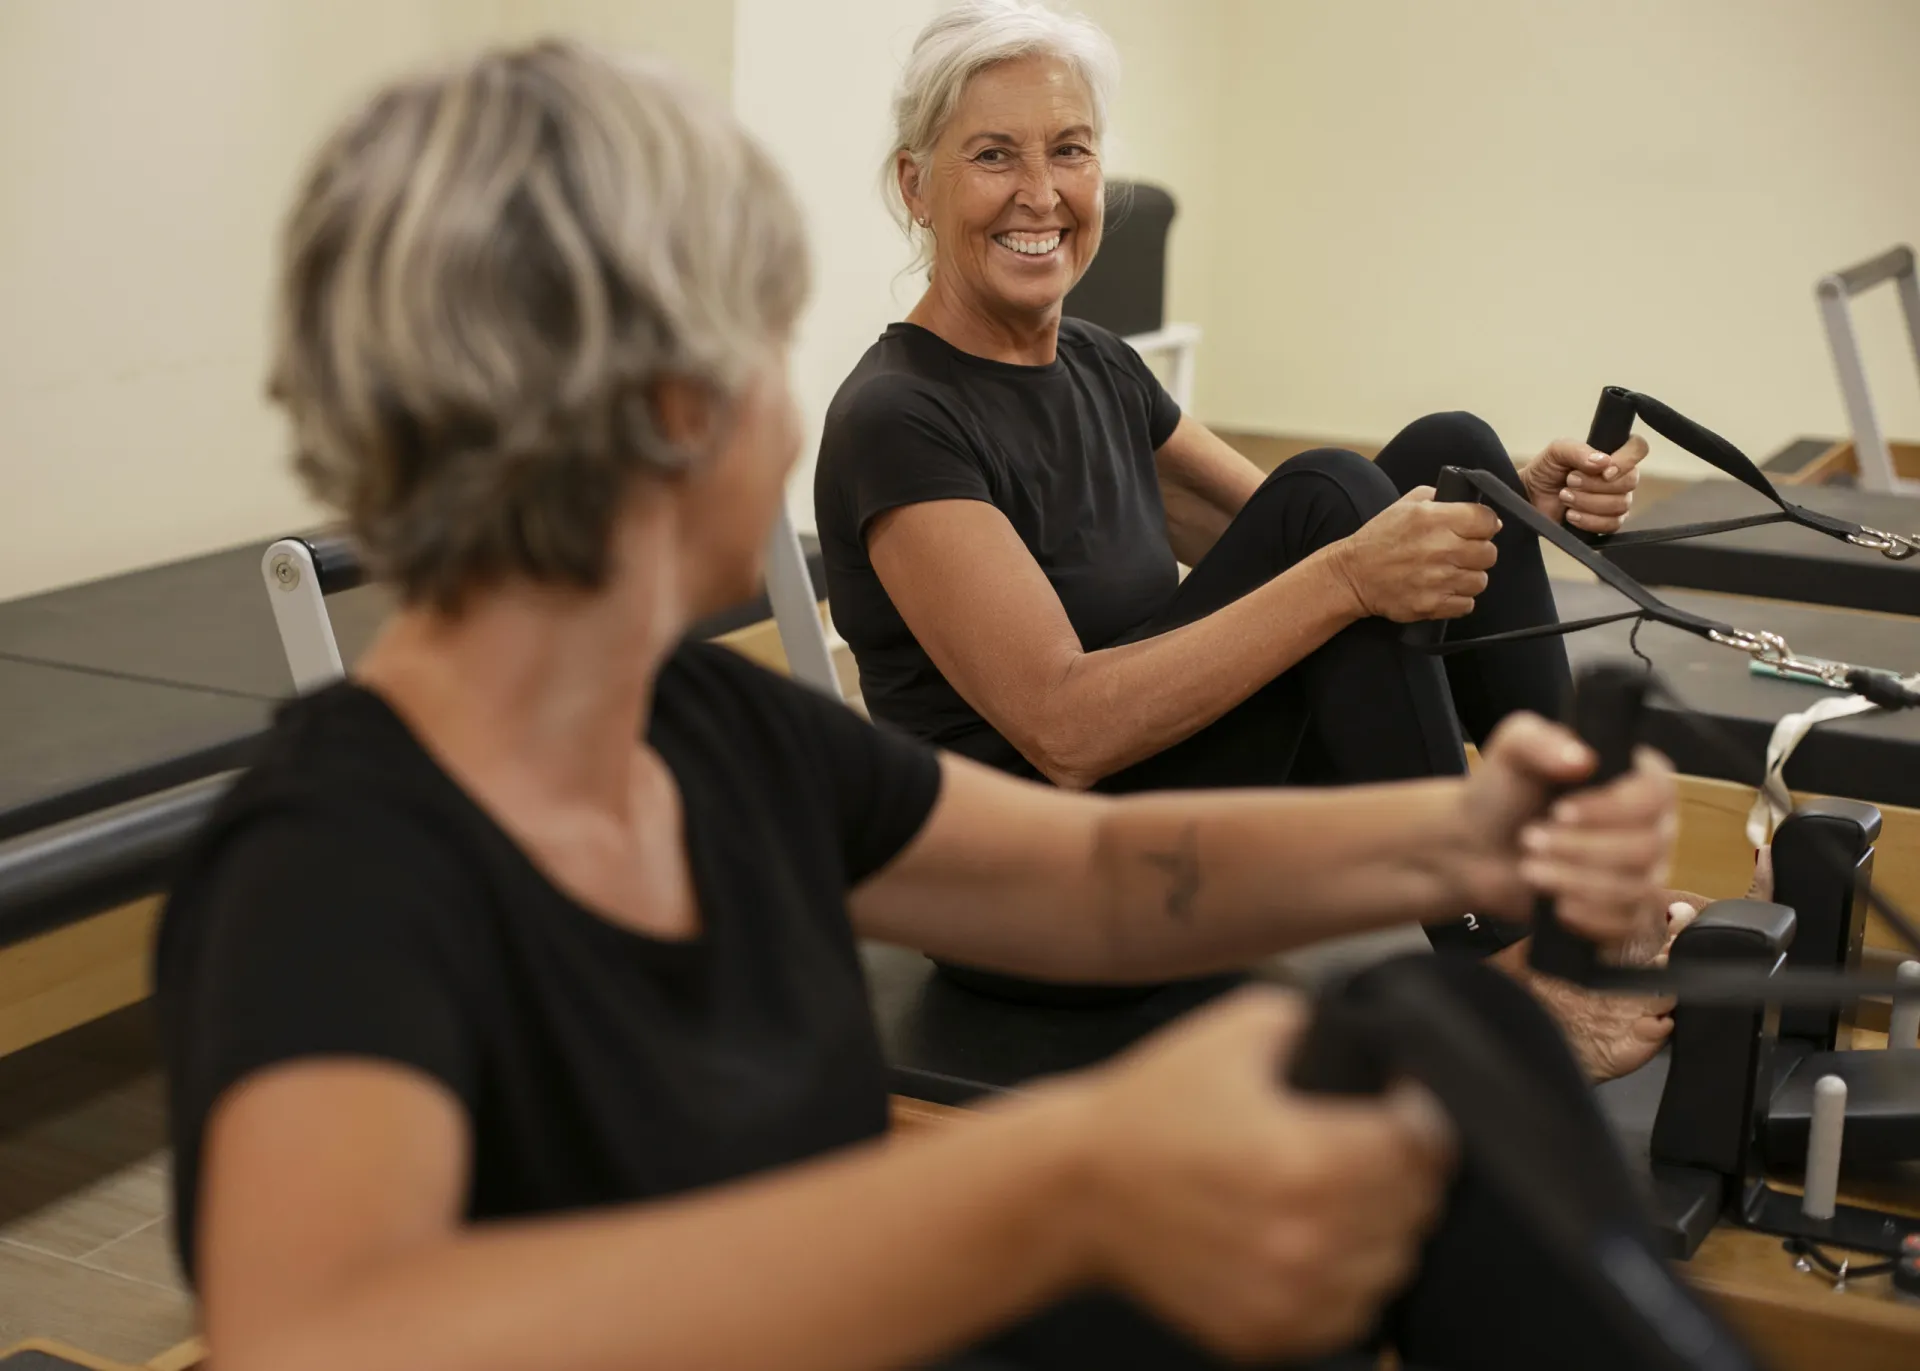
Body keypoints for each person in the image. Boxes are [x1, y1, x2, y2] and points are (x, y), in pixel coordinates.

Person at [159, 39, 1720, 1371]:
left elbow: (1102, 880)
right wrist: (1068, 1174)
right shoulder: (341, 860)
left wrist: (1465, 829)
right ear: (651, 405)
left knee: (1423, 1052)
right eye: (757, 342)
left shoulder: (717, 733)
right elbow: (328, 1341)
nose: (788, 406)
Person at [812, 0, 1682, 1058]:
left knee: (1449, 454)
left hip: (1166, 824)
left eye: (1069, 151)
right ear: (917, 184)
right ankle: (1497, 965)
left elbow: (1333, 518)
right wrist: (1351, 578)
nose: (1039, 193)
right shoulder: (897, 418)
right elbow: (1067, 732)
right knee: (1333, 511)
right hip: (1036, 896)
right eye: (993, 156)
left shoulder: (1095, 361)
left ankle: (1578, 883)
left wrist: (1506, 511)